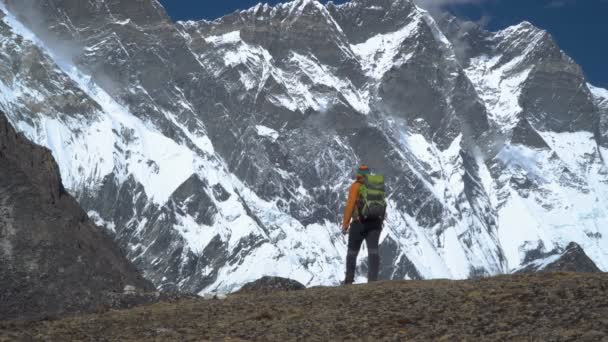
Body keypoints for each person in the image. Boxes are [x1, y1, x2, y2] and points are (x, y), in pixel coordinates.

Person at [341, 165, 387, 285]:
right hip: (375, 224)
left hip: (359, 223)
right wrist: (380, 222)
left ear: (358, 174)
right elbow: (382, 204)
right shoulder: (375, 186)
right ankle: (372, 281)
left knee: (352, 252)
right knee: (373, 252)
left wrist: (345, 224)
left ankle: (349, 280)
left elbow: (350, 205)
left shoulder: (355, 186)